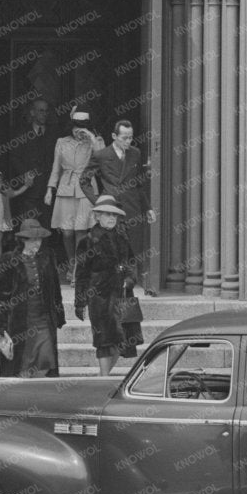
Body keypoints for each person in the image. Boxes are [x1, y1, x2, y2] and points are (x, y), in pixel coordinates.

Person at [74, 195, 141, 375]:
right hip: (100, 297)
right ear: (97, 216)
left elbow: (132, 262)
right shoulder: (87, 241)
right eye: (107, 214)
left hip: (123, 295)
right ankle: (103, 379)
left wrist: (130, 279)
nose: (112, 218)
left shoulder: (122, 238)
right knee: (104, 341)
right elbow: (81, 274)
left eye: (114, 215)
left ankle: (103, 377)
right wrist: (80, 303)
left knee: (124, 340)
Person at [0, 216, 63, 378]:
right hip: (20, 321)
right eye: (32, 240)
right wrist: (1, 326)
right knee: (22, 364)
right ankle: (24, 398)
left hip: (44, 320)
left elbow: (55, 289)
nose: (37, 243)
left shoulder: (48, 257)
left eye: (39, 239)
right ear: (23, 240)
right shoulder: (9, 259)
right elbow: (2, 296)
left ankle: (37, 394)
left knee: (46, 360)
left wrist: (59, 314)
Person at [86, 118, 156, 275]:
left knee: (132, 250)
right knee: (111, 250)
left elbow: (139, 184)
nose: (128, 141)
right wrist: (98, 202)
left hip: (133, 208)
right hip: (111, 208)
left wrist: (148, 208)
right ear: (114, 136)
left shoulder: (136, 153)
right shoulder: (101, 155)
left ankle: (129, 289)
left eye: (131, 137)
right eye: (124, 137)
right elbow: (84, 180)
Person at [46, 110, 102, 266]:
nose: (79, 130)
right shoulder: (61, 142)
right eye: (76, 126)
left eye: (83, 126)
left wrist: (91, 138)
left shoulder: (95, 141)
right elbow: (56, 167)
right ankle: (71, 262)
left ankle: (79, 268)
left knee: (81, 230)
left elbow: (103, 159)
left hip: (86, 189)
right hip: (66, 188)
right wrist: (50, 189)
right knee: (67, 231)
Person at [0, 96, 55, 224]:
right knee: (29, 225)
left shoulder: (53, 133)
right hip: (29, 188)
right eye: (41, 110)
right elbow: (14, 157)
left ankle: (44, 245)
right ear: (32, 112)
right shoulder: (21, 133)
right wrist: (25, 173)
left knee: (45, 224)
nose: (44, 114)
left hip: (48, 188)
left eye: (46, 111)